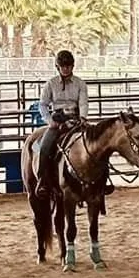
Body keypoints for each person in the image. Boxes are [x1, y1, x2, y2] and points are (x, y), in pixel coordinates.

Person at [34, 50, 87, 182]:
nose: (66, 69)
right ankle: (42, 181)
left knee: (96, 143)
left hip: (76, 119)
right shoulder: (50, 84)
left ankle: (102, 181)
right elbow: (43, 105)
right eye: (63, 66)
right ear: (58, 67)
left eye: (68, 66)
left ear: (72, 66)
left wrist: (83, 119)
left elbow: (83, 103)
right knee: (45, 147)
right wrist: (49, 121)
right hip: (57, 120)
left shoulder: (80, 84)